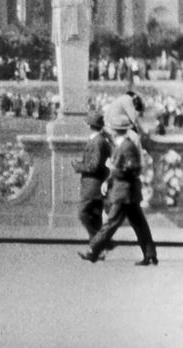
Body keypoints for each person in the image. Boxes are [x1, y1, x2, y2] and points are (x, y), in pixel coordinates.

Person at [79, 110, 158, 266]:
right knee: (139, 224)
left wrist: (113, 171)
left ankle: (93, 251)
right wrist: (109, 178)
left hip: (124, 192)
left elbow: (133, 168)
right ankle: (150, 254)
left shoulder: (126, 146)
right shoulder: (122, 144)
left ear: (115, 130)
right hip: (128, 192)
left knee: (111, 223)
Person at [71, 111, 113, 241]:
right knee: (95, 216)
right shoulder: (101, 140)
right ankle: (97, 248)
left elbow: (93, 166)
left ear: (90, 126)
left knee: (83, 213)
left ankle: (102, 241)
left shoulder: (97, 142)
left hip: (92, 185)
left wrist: (78, 166)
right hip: (97, 184)